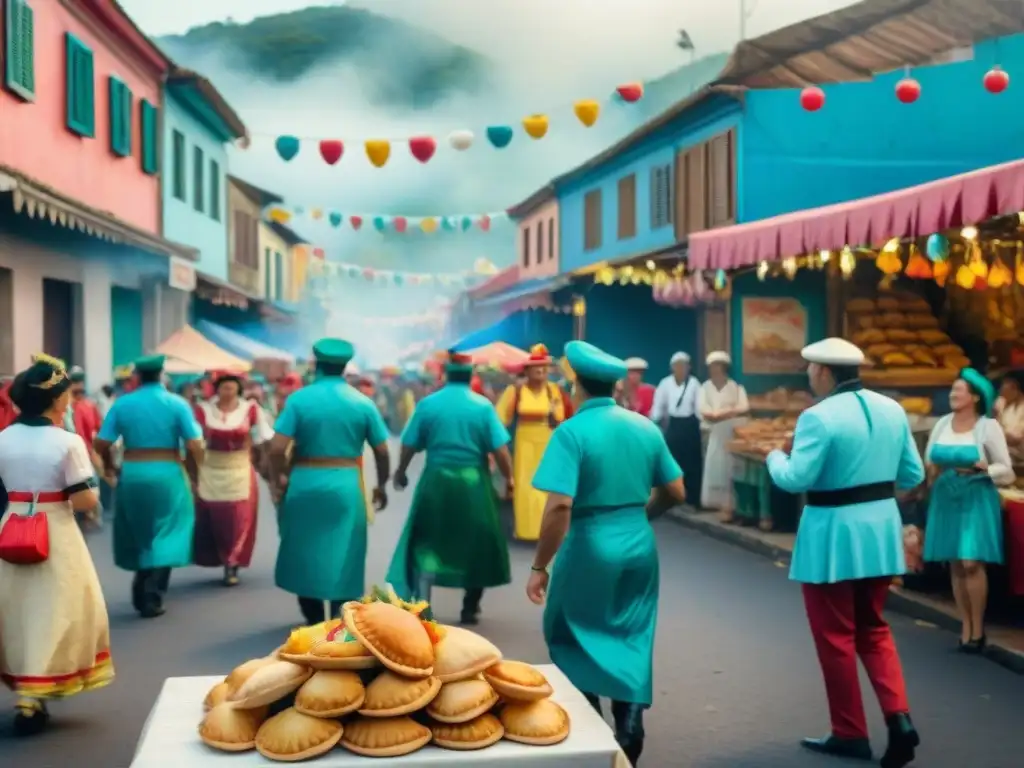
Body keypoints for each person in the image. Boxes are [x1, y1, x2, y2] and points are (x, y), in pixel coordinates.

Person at [765, 338, 922, 768]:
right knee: (873, 627)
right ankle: (900, 718)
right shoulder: (892, 409)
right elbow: (913, 473)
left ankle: (850, 731)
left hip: (832, 534)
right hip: (881, 529)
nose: (809, 377)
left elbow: (796, 477)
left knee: (835, 637)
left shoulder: (817, 417)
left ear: (824, 372)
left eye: (810, 370)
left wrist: (774, 457)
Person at [526, 341, 684, 764]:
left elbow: (559, 506)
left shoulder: (572, 432)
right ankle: (629, 725)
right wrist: (640, 518)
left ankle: (593, 730)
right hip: (637, 543)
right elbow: (675, 491)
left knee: (569, 631)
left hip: (589, 543)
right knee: (632, 632)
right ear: (614, 386)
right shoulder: (644, 427)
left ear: (576, 385)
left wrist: (540, 565)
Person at [0, 354, 113, 735]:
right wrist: (94, 493)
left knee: (18, 609)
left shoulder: (3, 438)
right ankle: (36, 692)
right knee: (58, 607)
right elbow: (83, 500)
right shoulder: (66, 441)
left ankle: (27, 692)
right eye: (66, 394)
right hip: (54, 530)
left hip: (11, 525)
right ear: (56, 400)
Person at [267, 339, 390, 625]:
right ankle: (338, 616)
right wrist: (381, 485)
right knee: (346, 549)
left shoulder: (299, 399)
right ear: (345, 367)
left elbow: (275, 449)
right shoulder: (362, 402)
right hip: (346, 483)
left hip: (305, 480)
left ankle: (312, 616)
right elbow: (382, 451)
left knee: (304, 546)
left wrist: (279, 478)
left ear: (316, 364)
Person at [387, 352, 514, 624]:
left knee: (427, 541)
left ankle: (423, 606)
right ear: (471, 376)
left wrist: (401, 471)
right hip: (473, 483)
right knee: (476, 543)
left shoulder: (428, 405)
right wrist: (509, 478)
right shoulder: (482, 407)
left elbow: (409, 444)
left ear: (444, 374)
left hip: (436, 480)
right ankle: (470, 606)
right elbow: (501, 451)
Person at [94, 355, 204, 619]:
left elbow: (101, 444)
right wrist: (194, 472)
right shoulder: (177, 404)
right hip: (167, 473)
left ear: (137, 376)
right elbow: (194, 444)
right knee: (169, 529)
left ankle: (143, 578)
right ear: (162, 375)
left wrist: (110, 467)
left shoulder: (123, 404)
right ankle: (151, 591)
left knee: (139, 529)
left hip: (132, 473)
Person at [923, 369, 1013, 651]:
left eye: (959, 390)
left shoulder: (988, 427)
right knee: (956, 562)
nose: (953, 394)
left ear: (974, 397)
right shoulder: (942, 424)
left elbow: (1007, 471)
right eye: (952, 389)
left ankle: (978, 627)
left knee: (971, 561)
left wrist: (987, 469)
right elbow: (929, 457)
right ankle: (965, 626)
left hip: (976, 493)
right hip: (946, 494)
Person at [193, 370, 274, 587]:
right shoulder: (203, 410)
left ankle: (232, 563)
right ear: (217, 389)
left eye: (232, 387)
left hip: (239, 467)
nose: (227, 391)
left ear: (239, 389)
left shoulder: (251, 409)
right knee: (214, 516)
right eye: (223, 387)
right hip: (211, 467)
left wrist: (266, 465)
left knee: (238, 517)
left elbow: (263, 438)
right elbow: (193, 439)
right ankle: (218, 556)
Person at [495, 344, 571, 540]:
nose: (541, 370)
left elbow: (563, 420)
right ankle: (526, 531)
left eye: (545, 367)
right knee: (525, 486)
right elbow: (499, 420)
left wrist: (555, 414)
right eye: (537, 367)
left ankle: (546, 531)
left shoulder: (555, 391)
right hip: (525, 441)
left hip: (547, 441)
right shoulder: (515, 391)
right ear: (527, 370)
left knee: (547, 485)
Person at [698, 351, 750, 523]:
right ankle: (718, 503)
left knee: (731, 469)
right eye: (712, 366)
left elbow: (743, 407)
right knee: (715, 468)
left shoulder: (735, 387)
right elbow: (703, 411)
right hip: (711, 434)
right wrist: (724, 413)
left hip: (731, 434)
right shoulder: (704, 387)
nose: (715, 370)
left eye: (718, 366)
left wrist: (724, 413)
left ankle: (732, 506)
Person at [650, 351, 703, 508]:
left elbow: (699, 409)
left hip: (690, 427)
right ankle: (672, 499)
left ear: (689, 367)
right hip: (674, 426)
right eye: (677, 366)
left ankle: (692, 499)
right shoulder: (665, 383)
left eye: (684, 366)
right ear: (672, 367)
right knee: (673, 464)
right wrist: (652, 423)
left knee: (692, 464)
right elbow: (658, 408)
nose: (681, 369)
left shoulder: (694, 384)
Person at [994, 369, 1024, 470]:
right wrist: (997, 414)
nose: (1001, 389)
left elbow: (1016, 438)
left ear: (1015, 388)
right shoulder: (1002, 404)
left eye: (1005, 384)